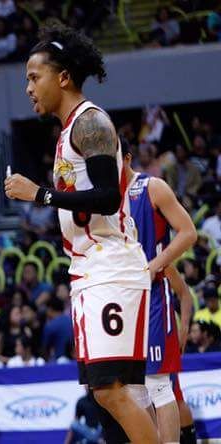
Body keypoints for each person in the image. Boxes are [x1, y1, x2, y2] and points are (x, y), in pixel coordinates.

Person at [4, 22, 157, 443]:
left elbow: (107, 197)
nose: (28, 89)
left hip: (111, 267)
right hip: (91, 269)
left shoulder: (91, 123)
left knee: (110, 391)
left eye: (34, 77)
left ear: (63, 77)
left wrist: (40, 194)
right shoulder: (70, 129)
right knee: (110, 395)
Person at [125, 148, 198, 443]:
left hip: (157, 307)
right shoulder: (108, 200)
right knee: (137, 390)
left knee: (165, 389)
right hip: (127, 304)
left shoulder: (149, 188)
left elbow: (185, 294)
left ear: (126, 157)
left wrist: (183, 327)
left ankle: (187, 438)